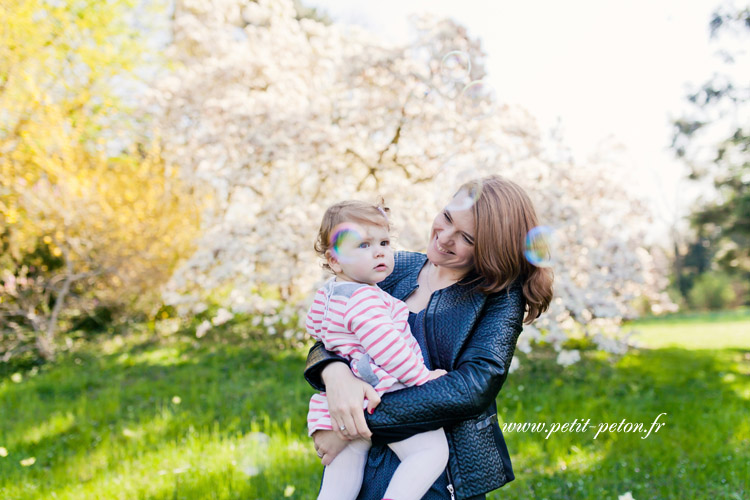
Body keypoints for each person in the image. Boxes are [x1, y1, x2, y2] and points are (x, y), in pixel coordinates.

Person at [304, 176, 554, 500]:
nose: (445, 237)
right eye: (447, 217)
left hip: (436, 473)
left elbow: (472, 388)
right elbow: (332, 334)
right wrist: (334, 374)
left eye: (466, 237)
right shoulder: (392, 267)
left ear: (492, 248)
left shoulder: (499, 297)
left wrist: (358, 422)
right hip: (363, 464)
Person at [306, 200, 451, 500]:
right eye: (364, 245)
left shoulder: (329, 294)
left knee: (338, 485)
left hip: (344, 406)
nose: (379, 252)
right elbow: (388, 350)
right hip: (383, 391)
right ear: (335, 261)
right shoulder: (365, 299)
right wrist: (422, 379)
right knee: (431, 451)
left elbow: (316, 329)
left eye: (384, 242)